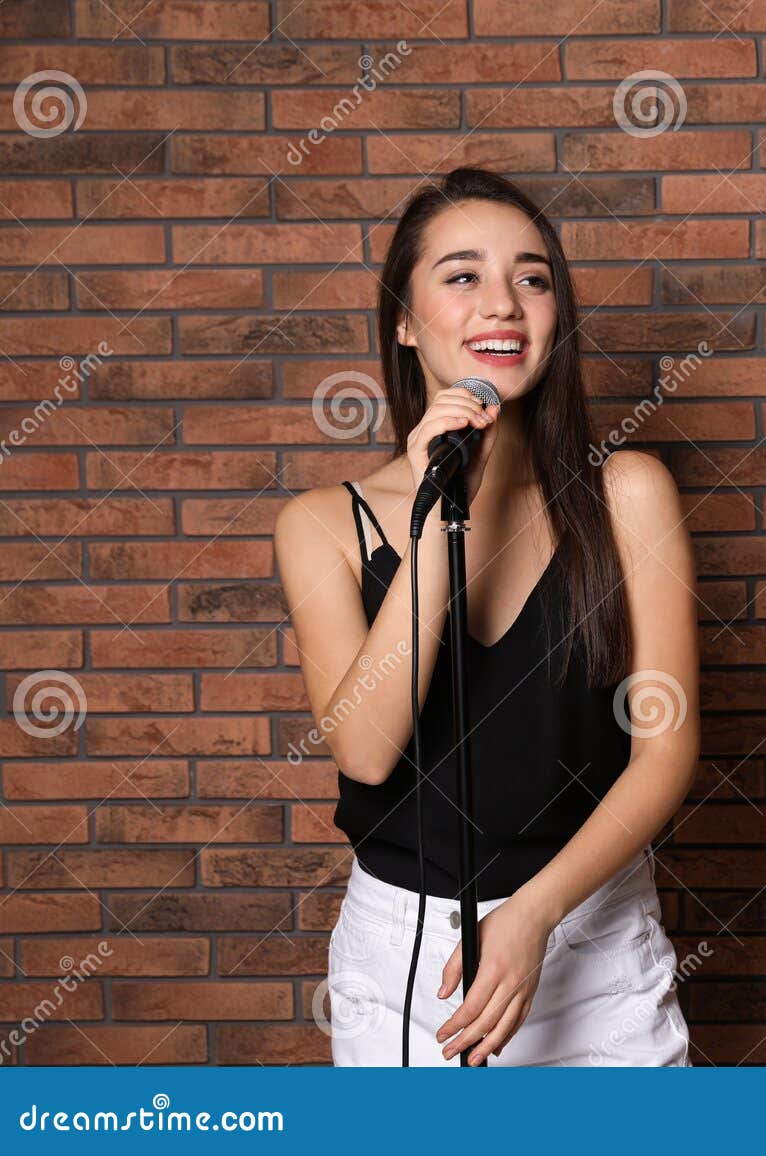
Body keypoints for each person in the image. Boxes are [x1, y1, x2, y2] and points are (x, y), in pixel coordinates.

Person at [273, 167, 698, 1066]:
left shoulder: (627, 495)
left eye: (532, 278)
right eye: (463, 276)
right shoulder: (321, 525)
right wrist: (437, 505)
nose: (503, 304)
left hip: (593, 938)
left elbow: (666, 750)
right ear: (403, 317)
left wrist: (535, 912)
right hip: (407, 965)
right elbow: (365, 750)